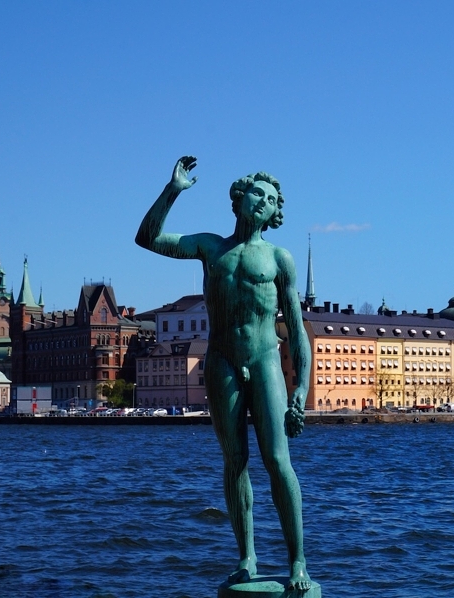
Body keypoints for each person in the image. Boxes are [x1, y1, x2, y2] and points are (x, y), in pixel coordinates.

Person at [135, 156, 312, 591]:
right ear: (239, 199)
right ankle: (247, 557)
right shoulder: (212, 248)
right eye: (256, 193)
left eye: (270, 200)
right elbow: (148, 237)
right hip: (222, 362)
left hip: (266, 359)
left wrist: (301, 387)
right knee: (235, 461)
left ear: (275, 213)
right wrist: (173, 189)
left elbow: (298, 330)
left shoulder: (279, 259)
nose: (262, 202)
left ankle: (298, 563)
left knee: (277, 460)